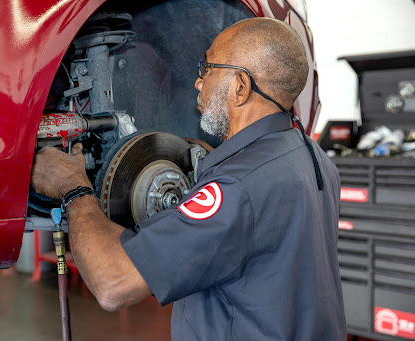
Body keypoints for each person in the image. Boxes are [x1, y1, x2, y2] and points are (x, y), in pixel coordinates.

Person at [32, 17, 346, 340]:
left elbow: (112, 282)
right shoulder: (316, 160)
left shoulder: (235, 190)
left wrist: (72, 187)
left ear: (240, 86)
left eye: (206, 68)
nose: (197, 82)